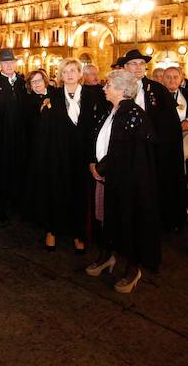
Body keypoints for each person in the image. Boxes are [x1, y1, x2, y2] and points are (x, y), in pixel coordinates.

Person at [85, 69, 160, 294]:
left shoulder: (131, 112)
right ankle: (107, 256)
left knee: (129, 221)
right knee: (106, 217)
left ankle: (132, 268)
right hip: (109, 176)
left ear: (121, 89)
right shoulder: (113, 110)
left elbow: (122, 148)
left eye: (108, 85)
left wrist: (100, 168)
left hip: (128, 181)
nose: (104, 88)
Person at [121, 49, 188, 231]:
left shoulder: (157, 90)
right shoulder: (118, 88)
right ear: (125, 67)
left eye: (141, 64)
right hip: (126, 148)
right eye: (133, 64)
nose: (138, 67)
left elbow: (171, 124)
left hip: (153, 149)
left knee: (154, 185)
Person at [57, 59, 108, 253]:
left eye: (73, 71)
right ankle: (56, 228)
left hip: (84, 154)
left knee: (81, 195)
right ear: (61, 75)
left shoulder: (93, 96)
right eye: (65, 71)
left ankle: (79, 233)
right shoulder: (53, 96)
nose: (69, 74)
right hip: (60, 154)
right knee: (60, 191)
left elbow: (98, 127)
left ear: (80, 74)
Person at [22, 69, 70, 251]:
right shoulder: (28, 101)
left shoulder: (57, 96)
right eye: (32, 82)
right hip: (39, 151)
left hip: (58, 150)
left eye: (38, 81)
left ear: (45, 81)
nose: (36, 85)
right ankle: (48, 226)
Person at [0, 48, 27, 223]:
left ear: (15, 63)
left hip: (20, 138)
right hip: (1, 139)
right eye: (5, 62)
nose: (9, 65)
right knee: (1, 174)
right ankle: (0, 207)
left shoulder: (22, 84)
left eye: (11, 62)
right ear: (0, 65)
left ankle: (17, 204)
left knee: (18, 171)